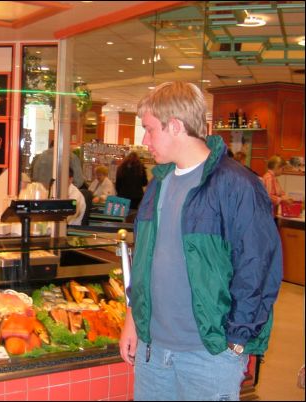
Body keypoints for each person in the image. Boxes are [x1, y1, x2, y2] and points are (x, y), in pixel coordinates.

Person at [119, 82, 282, 401]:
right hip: (154, 352)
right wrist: (133, 318)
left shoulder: (238, 186)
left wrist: (235, 342)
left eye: (150, 130)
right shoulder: (158, 183)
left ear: (176, 126)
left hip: (208, 354)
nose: (144, 140)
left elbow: (258, 270)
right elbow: (145, 260)